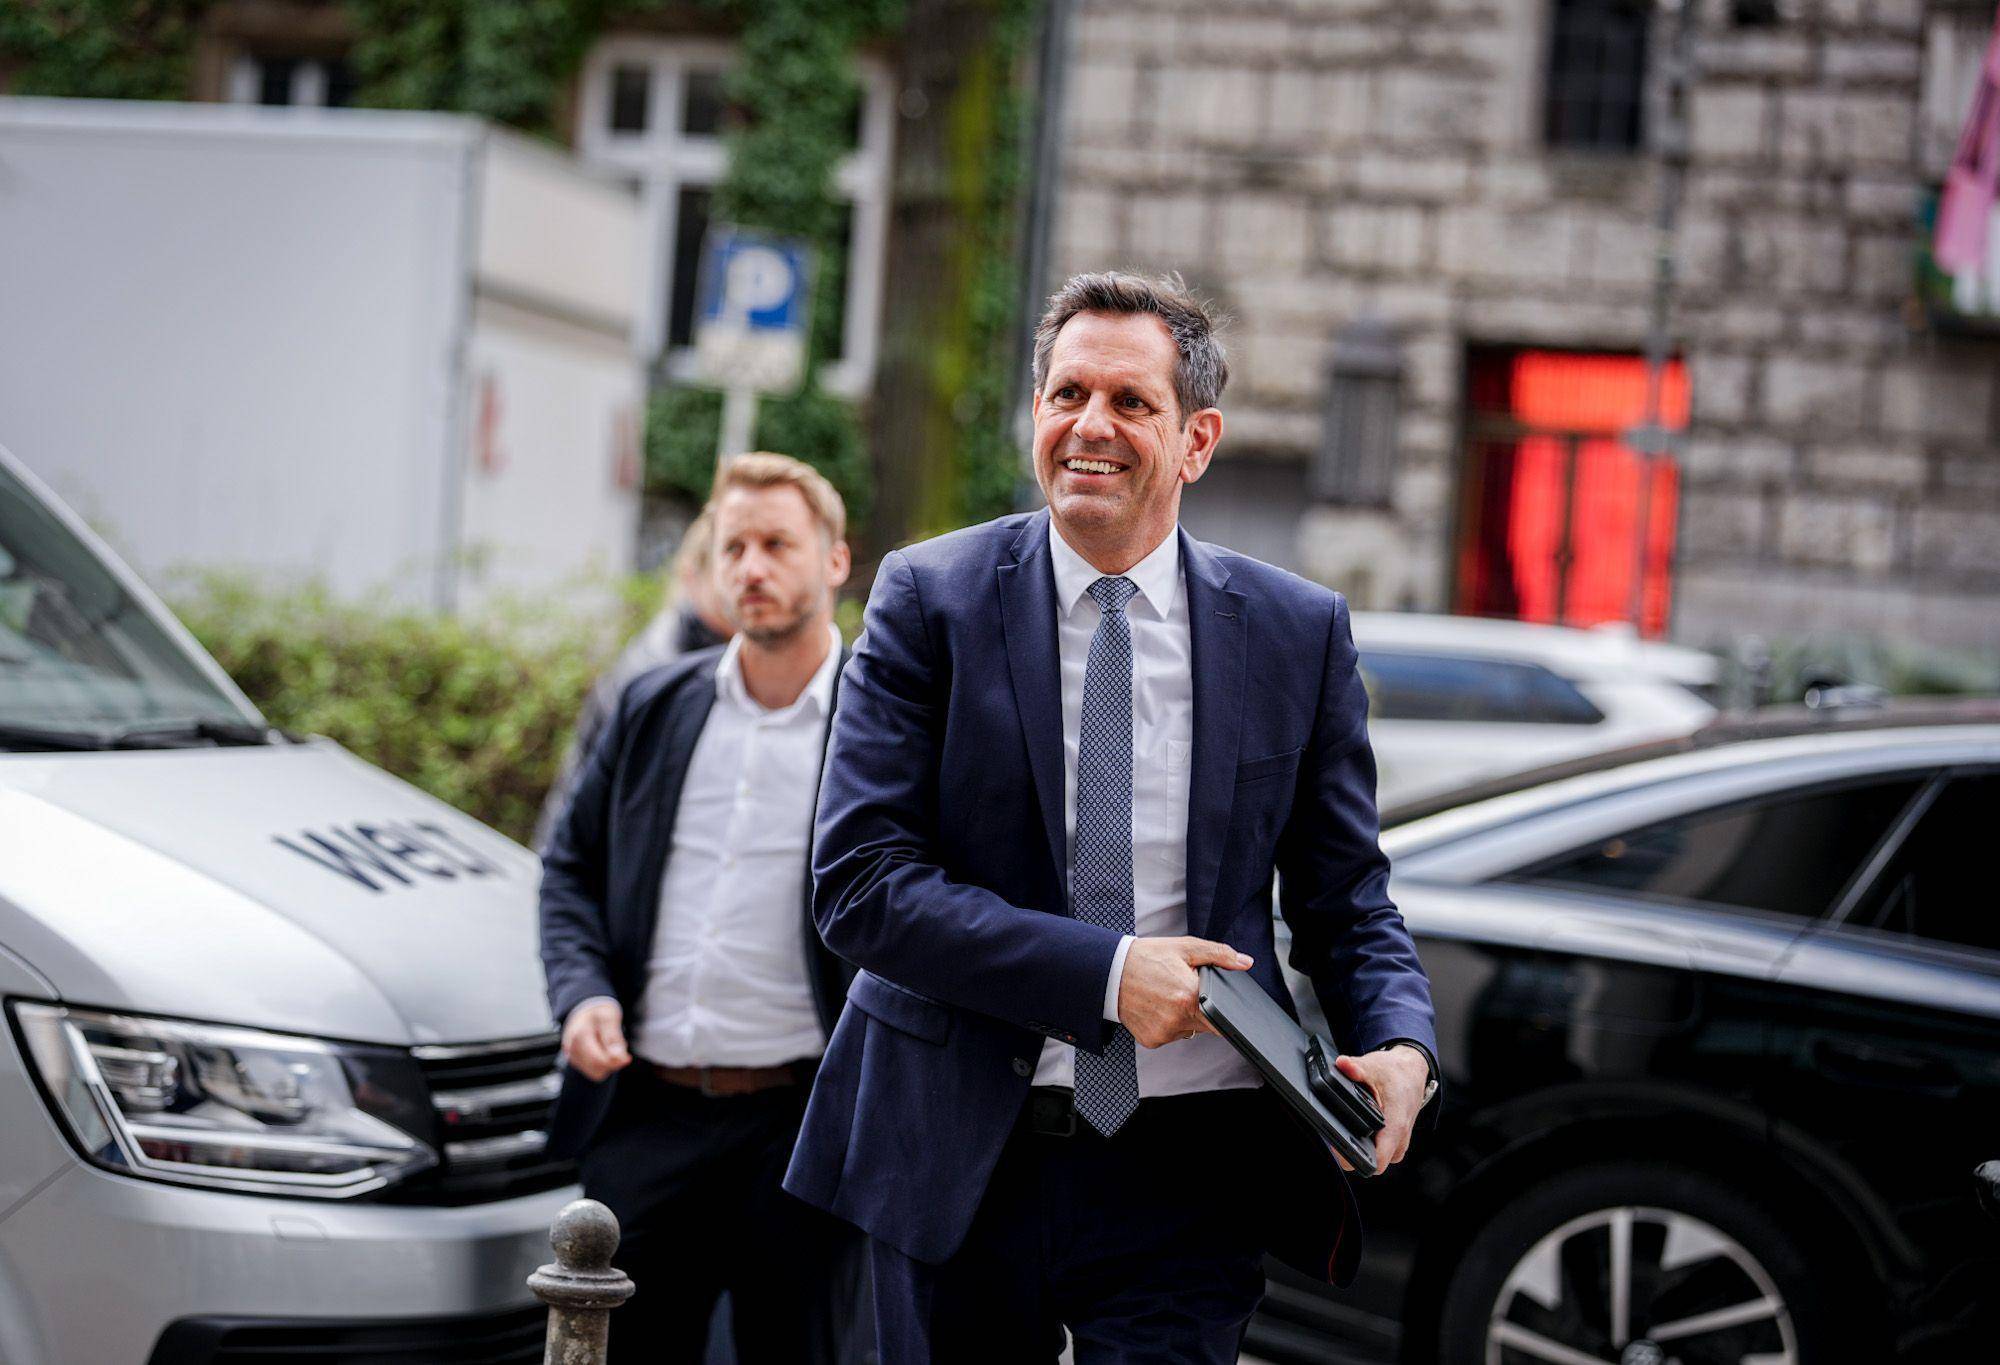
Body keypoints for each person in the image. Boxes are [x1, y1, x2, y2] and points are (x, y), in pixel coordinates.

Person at [785, 272, 1439, 1363]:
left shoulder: (1296, 631)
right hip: (958, 1149)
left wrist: (1402, 1044)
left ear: (1196, 441)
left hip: (1191, 1167)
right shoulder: (926, 599)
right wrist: (1107, 975)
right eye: (1067, 394)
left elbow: (1346, 899)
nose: (1091, 425)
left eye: (1131, 402)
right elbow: (861, 886)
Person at [539, 453, 861, 1363]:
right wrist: (582, 991)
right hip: (647, 1116)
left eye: (777, 545)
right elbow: (569, 867)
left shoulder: (882, 720)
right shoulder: (652, 703)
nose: (751, 567)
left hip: (801, 1127)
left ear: (835, 561)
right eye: (733, 547)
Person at [531, 510, 734, 851]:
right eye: (729, 560)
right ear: (691, 576)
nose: (745, 577)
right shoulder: (660, 668)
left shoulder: (707, 652)